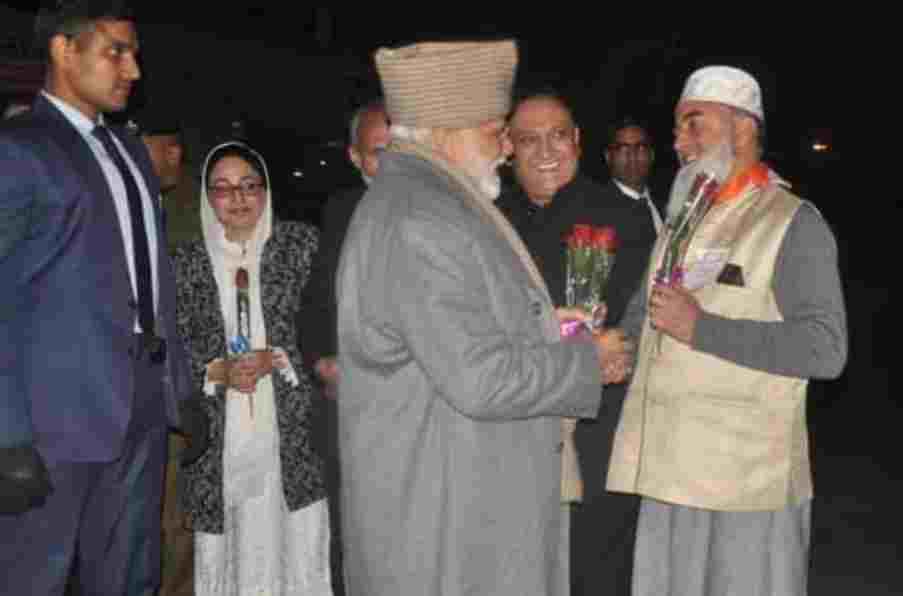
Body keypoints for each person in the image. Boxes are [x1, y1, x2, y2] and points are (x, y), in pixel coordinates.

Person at [336, 39, 630, 596]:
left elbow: (456, 328)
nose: (504, 147)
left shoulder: (432, 199)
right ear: (446, 128)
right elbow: (479, 376)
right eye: (496, 129)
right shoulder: (421, 217)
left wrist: (543, 327)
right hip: (446, 519)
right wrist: (586, 363)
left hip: (464, 497)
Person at [606, 65, 849, 596]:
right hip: (667, 474)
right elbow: (641, 319)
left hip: (745, 486)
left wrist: (703, 329)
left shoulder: (792, 222)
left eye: (693, 125)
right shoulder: (680, 221)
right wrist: (598, 350)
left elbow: (825, 349)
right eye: (676, 129)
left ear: (742, 128)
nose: (677, 142)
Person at [0, 3, 201, 594]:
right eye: (116, 50)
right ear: (64, 50)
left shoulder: (132, 153)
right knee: (32, 579)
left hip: (139, 406)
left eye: (134, 53)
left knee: (129, 578)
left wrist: (180, 388)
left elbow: (151, 280)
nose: (133, 69)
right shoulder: (19, 149)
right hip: (51, 422)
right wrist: (5, 432)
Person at [495, 91, 656, 596]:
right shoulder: (487, 221)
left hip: (600, 430)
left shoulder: (622, 215)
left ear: (578, 142)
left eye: (558, 135)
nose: (546, 151)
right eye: (528, 139)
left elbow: (643, 318)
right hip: (511, 426)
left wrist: (620, 342)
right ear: (507, 147)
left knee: (597, 568)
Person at [172, 141, 331, 595]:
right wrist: (218, 371)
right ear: (206, 197)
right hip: (224, 434)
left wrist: (277, 357)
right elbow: (174, 350)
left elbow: (327, 330)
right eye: (222, 189)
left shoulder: (301, 246)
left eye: (248, 186)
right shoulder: (186, 264)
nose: (238, 198)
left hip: (290, 427)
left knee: (298, 545)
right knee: (233, 556)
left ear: (265, 191)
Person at [298, 98, 389, 596]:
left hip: (411, 411)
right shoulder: (340, 209)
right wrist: (319, 362)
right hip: (348, 406)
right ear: (355, 157)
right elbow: (315, 304)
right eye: (379, 153)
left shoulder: (440, 209)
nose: (391, 163)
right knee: (348, 537)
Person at [129, 104, 198, 596]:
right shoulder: (116, 206)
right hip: (124, 396)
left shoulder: (188, 203)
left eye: (178, 144)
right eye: (163, 143)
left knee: (175, 517)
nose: (176, 154)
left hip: (179, 388)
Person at [604, 117, 663, 233]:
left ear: (651, 155)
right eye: (622, 149)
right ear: (608, 156)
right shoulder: (597, 210)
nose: (632, 156)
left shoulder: (669, 204)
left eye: (640, 147)